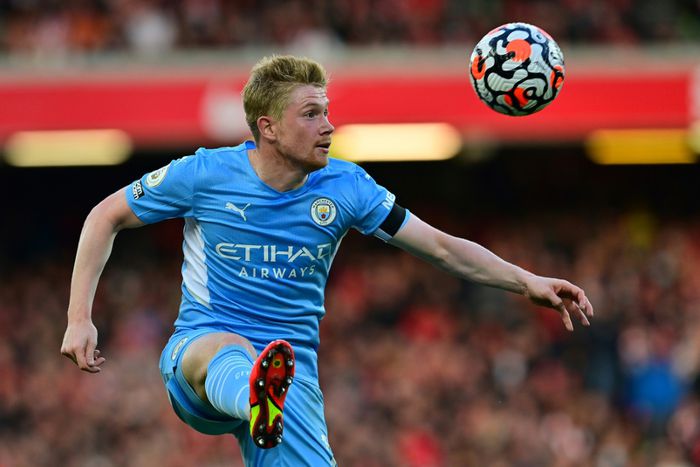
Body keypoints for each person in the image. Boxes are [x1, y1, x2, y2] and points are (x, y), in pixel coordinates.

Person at [61, 55, 594, 466]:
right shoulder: (204, 175)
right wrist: (79, 318)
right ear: (268, 127)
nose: (328, 126)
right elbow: (105, 215)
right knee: (226, 348)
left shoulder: (347, 187)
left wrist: (525, 280)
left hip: (290, 378)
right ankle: (253, 396)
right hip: (200, 359)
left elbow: (439, 245)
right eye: (311, 114)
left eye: (327, 112)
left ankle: (265, 402)